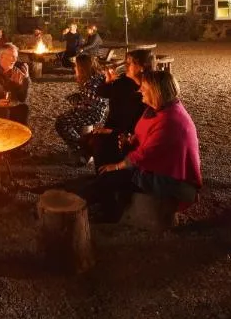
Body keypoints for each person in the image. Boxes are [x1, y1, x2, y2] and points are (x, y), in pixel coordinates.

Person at [78, 70, 202, 221]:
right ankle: (105, 200)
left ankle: (85, 204)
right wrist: (130, 140)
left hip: (169, 178)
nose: (140, 90)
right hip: (153, 163)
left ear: (156, 91)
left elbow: (145, 155)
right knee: (103, 148)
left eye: (144, 87)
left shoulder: (170, 121)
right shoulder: (156, 109)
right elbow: (143, 136)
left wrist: (117, 166)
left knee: (111, 176)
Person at [80, 49, 155, 171]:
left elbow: (141, 125)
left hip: (131, 133)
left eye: (130, 63)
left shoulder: (150, 92)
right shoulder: (123, 82)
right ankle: (104, 174)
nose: (125, 66)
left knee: (100, 143)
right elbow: (102, 92)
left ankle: (115, 176)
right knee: (91, 140)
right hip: (114, 126)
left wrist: (111, 131)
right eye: (126, 62)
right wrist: (108, 82)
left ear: (142, 67)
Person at [55, 53, 109, 165]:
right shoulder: (94, 77)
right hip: (91, 110)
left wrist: (77, 104)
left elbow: (90, 105)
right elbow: (90, 99)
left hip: (92, 113)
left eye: (76, 66)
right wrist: (77, 98)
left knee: (61, 122)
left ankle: (82, 148)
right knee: (65, 118)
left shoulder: (91, 83)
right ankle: (82, 146)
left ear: (82, 68)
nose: (75, 68)